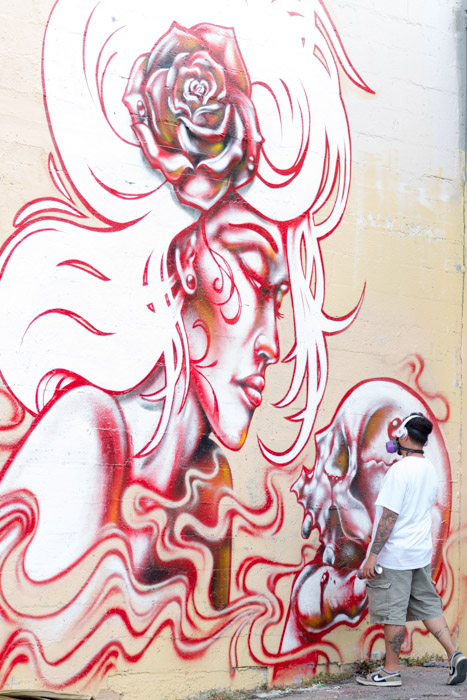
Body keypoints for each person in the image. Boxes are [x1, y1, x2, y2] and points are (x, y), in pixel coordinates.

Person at [357, 412, 466, 687]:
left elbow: (389, 516)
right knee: (428, 606)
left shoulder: (399, 471)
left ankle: (391, 671)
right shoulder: (429, 469)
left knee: (393, 612)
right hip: (419, 553)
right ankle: (455, 655)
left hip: (396, 556)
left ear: (404, 436)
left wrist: (373, 555)